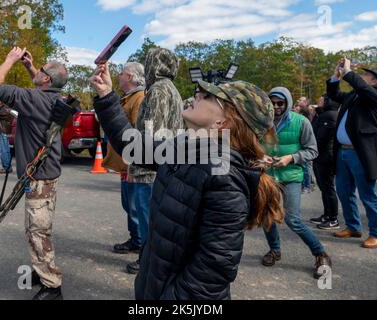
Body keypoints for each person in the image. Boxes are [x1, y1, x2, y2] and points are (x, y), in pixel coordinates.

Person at [90, 62, 284, 300]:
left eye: (208, 97)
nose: (197, 95)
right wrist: (107, 95)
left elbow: (212, 272)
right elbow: (131, 145)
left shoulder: (224, 176)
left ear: (223, 122)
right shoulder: (186, 147)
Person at [0, 47, 68, 300]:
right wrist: (30, 68)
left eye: (41, 70)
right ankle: (40, 269)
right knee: (37, 227)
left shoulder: (33, 99)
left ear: (45, 80)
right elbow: (46, 86)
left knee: (37, 232)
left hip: (39, 177)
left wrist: (9, 59)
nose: (38, 69)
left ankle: (52, 285)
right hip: (45, 175)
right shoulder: (56, 99)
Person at [124, 48, 185, 274]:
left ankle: (149, 261)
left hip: (150, 169)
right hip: (165, 164)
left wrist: (139, 158)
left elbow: (153, 132)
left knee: (149, 218)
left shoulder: (158, 90)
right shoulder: (172, 89)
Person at [262, 87, 332, 279]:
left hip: (291, 176)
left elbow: (312, 151)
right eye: (272, 102)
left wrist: (291, 158)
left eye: (280, 103)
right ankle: (274, 251)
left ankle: (320, 254)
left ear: (288, 103)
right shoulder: (262, 122)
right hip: (268, 177)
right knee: (267, 217)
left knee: (293, 219)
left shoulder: (301, 122)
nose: (276, 106)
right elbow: (254, 146)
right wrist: (262, 156)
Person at [327, 58, 377, 249]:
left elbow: (364, 89)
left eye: (366, 75)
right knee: (344, 191)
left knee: (368, 194)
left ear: (375, 81)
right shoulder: (355, 95)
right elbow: (334, 94)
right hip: (344, 153)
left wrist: (348, 72)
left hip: (361, 154)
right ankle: (353, 226)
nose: (362, 77)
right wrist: (336, 75)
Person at [104, 62, 146, 254]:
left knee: (137, 207)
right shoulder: (129, 97)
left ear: (129, 77)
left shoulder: (139, 98)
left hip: (132, 164)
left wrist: (132, 165)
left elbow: (139, 133)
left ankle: (142, 245)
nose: (118, 76)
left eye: (121, 73)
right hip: (126, 163)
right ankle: (135, 239)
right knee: (129, 205)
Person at [310, 95, 341, 230]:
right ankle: (327, 215)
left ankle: (333, 218)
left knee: (328, 188)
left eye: (322, 99)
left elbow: (321, 138)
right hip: (320, 156)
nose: (319, 100)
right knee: (323, 187)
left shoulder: (330, 116)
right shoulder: (323, 115)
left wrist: (312, 150)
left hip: (325, 157)